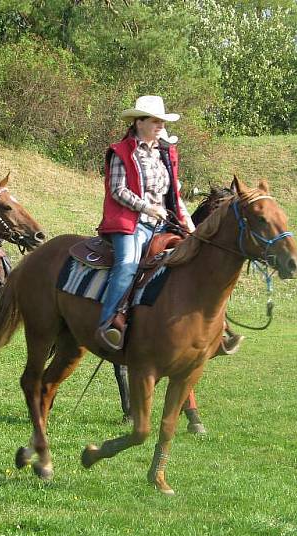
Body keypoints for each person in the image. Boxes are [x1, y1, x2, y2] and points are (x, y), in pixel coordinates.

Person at [96, 95, 194, 351]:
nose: (160, 125)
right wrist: (147, 207)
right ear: (139, 122)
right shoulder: (122, 151)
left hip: (164, 224)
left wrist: (190, 225)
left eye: (162, 121)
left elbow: (173, 193)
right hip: (132, 223)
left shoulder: (164, 153)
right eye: (155, 121)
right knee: (127, 265)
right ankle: (109, 324)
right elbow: (117, 190)